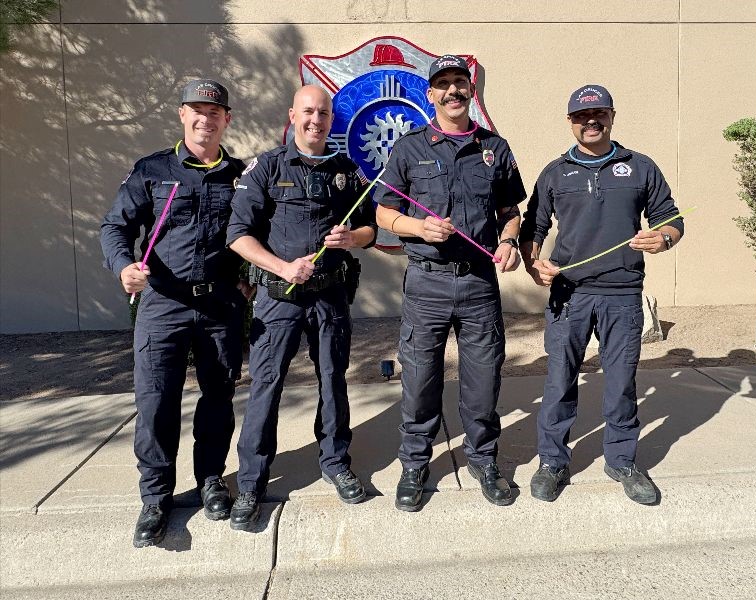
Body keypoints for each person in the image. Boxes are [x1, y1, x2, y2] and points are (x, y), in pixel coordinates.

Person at [100, 79, 250, 547]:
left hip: (220, 304)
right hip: (163, 303)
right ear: (182, 115)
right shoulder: (152, 170)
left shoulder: (241, 175)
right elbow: (115, 227)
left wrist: (252, 277)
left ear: (227, 119)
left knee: (217, 397)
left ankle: (210, 481)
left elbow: (259, 232)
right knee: (156, 401)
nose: (206, 118)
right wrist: (124, 266)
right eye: (197, 110)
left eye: (215, 111)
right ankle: (156, 496)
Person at [374, 55, 527, 511]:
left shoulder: (494, 148)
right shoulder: (409, 148)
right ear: (431, 94)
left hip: (479, 284)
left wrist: (510, 242)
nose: (453, 91)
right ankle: (415, 463)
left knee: (482, 380)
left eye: (460, 82)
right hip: (427, 284)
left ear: (471, 90)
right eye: (444, 84)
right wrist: (418, 228)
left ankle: (483, 459)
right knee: (420, 380)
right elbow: (382, 213)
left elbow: (510, 213)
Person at [519, 84, 684, 505]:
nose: (591, 121)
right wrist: (533, 261)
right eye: (581, 116)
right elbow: (532, 226)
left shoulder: (640, 166)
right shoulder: (556, 172)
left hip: (623, 294)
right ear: (570, 121)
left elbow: (671, 218)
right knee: (559, 381)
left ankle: (622, 460)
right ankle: (553, 462)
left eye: (599, 114)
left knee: (621, 382)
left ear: (612, 116)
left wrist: (663, 239)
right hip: (570, 295)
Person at [225, 85, 377, 529]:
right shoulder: (267, 168)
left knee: (333, 382)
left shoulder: (346, 171)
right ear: (292, 115)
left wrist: (352, 239)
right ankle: (252, 481)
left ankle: (334, 461)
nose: (316, 120)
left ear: (332, 120)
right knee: (266, 387)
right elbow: (238, 234)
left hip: (330, 298)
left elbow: (369, 228)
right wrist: (280, 266)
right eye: (308, 111)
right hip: (279, 300)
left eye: (324, 114)